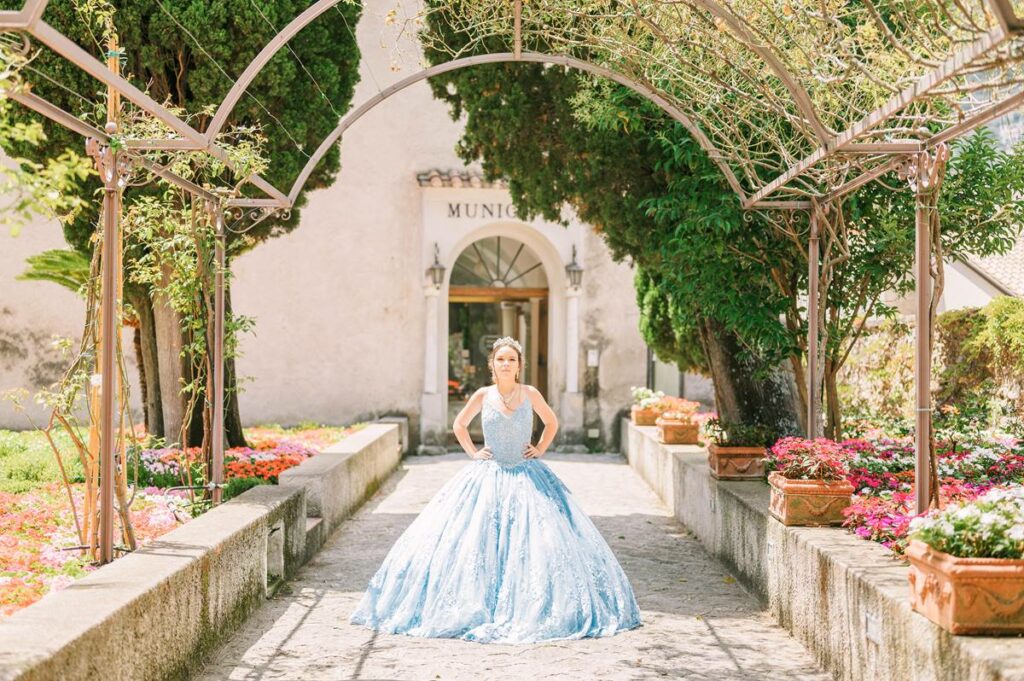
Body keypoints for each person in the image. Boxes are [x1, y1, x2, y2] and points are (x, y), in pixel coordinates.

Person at [350, 336, 642, 644]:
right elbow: (460, 425)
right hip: (488, 475)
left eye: (511, 360)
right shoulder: (482, 394)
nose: (506, 363)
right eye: (500, 359)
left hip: (526, 475)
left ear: (519, 366)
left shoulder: (530, 393)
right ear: (492, 364)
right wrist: (474, 452)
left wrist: (540, 448)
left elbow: (552, 422)